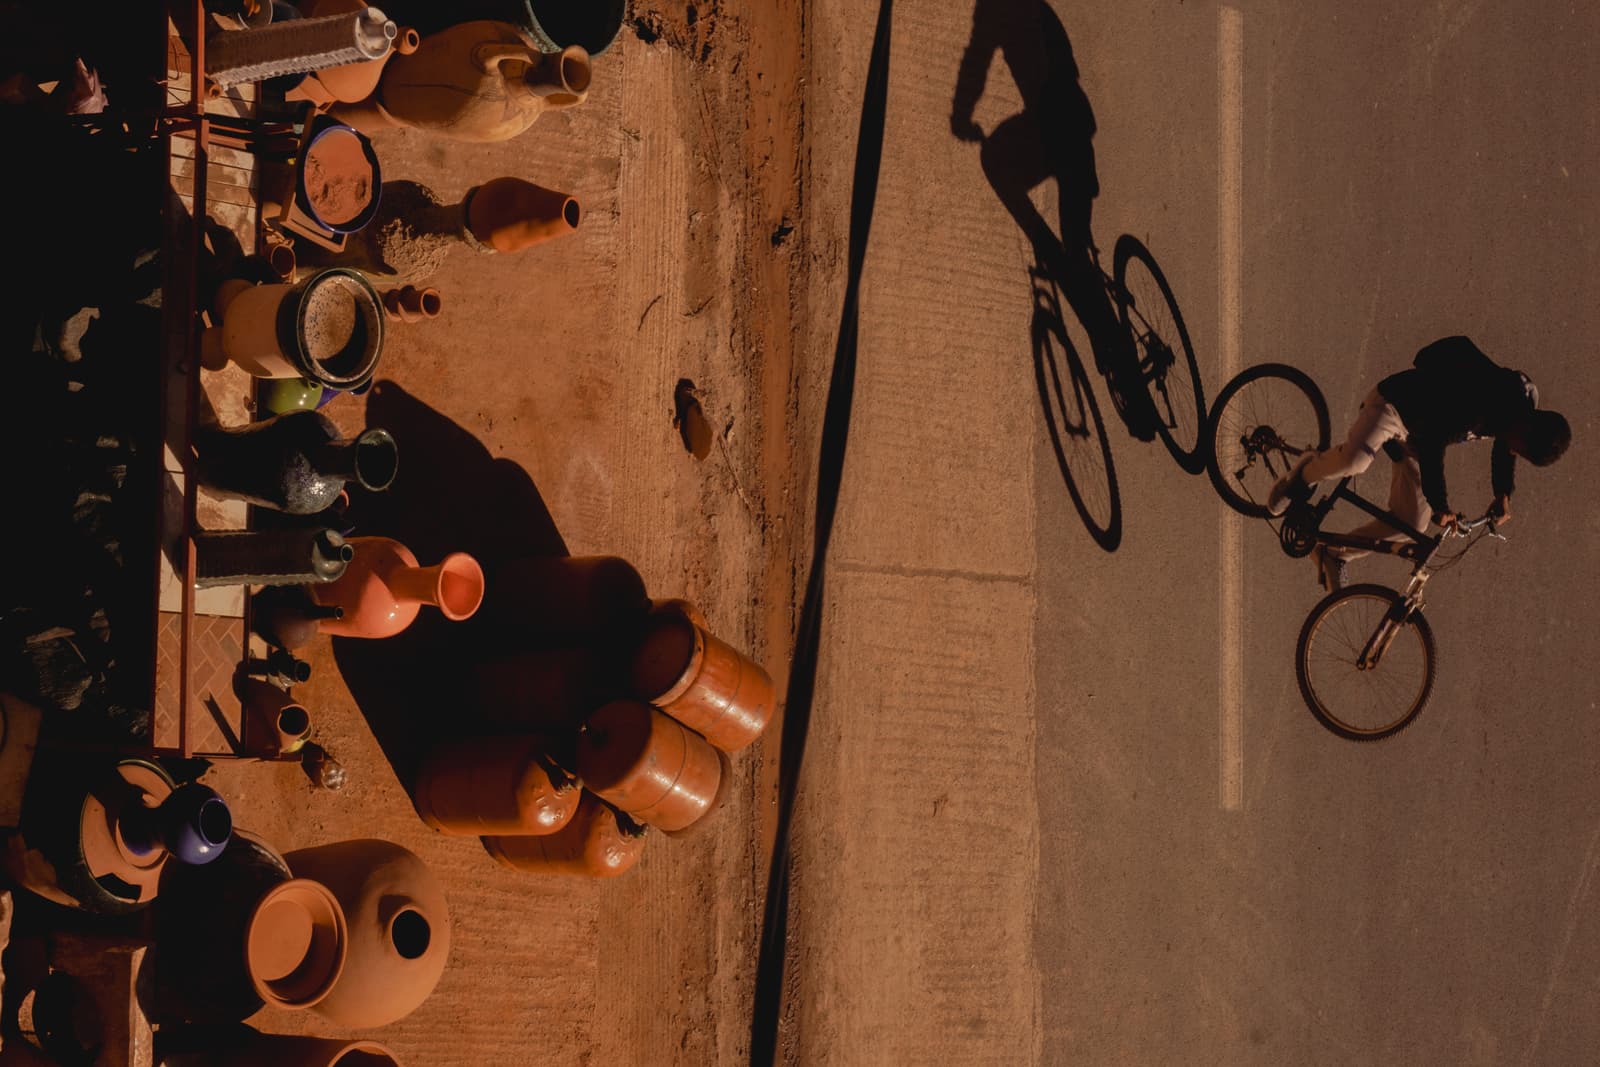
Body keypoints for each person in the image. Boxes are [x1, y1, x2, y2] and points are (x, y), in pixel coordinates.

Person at [1267, 336, 1571, 591]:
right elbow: (1433, 443)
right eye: (1521, 448)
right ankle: (1303, 474)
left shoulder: (1518, 413)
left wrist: (1502, 493)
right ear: (1526, 427)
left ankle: (1334, 555)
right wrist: (1440, 504)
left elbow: (1505, 446)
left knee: (1412, 521)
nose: (1515, 452)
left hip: (1417, 435)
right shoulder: (1481, 406)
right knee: (1355, 461)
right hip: (1396, 406)